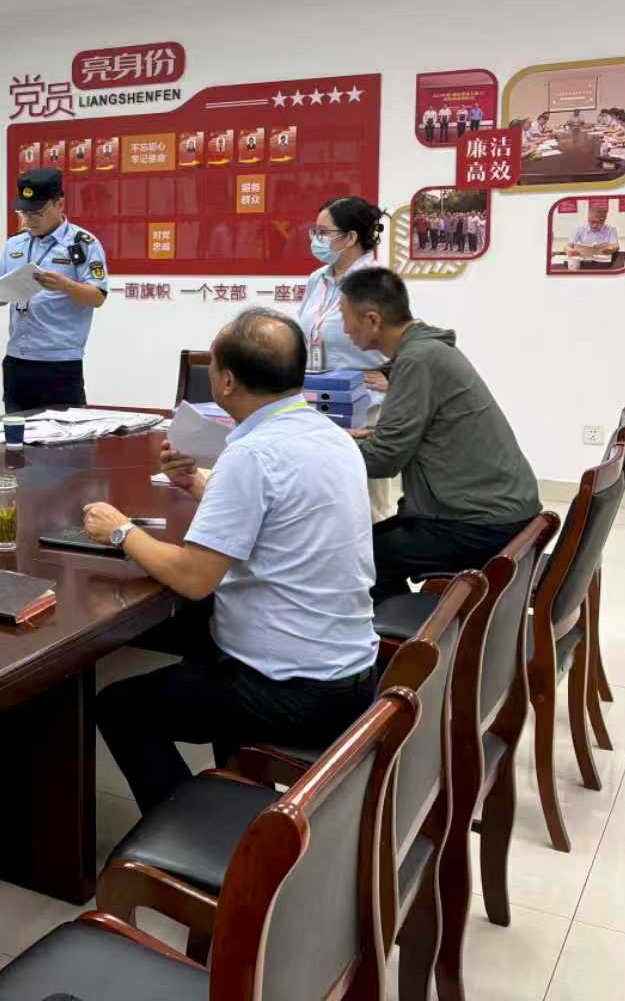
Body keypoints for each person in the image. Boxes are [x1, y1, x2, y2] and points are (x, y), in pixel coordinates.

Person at [82, 308, 378, 814]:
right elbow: (278, 516)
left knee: (120, 707)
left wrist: (120, 531)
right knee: (195, 644)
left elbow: (194, 578)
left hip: (294, 690)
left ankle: (199, 835)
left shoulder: (251, 455)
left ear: (226, 381)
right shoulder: (330, 434)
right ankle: (240, 792)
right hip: (351, 671)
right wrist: (196, 483)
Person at [338, 267, 541, 602]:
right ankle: (408, 622)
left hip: (479, 522)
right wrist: (367, 437)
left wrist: (330, 446)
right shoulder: (427, 350)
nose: (344, 329)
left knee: (359, 558)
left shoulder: (417, 360)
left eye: (345, 319)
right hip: (498, 508)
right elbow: (418, 432)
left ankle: (409, 632)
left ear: (373, 320)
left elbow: (385, 459)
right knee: (365, 545)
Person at [0, 167, 109, 412]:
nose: (28, 220)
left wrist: (66, 285)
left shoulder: (83, 244)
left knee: (65, 435)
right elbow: (2, 296)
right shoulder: (15, 244)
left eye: (36, 213)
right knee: (15, 432)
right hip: (17, 361)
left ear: (59, 204)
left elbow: (98, 297)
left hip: (60, 364)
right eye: (24, 212)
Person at [302, 196, 396, 521]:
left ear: (351, 238)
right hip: (318, 399)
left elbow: (406, 338)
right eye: (315, 231)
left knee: (366, 501)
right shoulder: (317, 279)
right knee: (323, 494)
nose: (316, 239)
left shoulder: (378, 282)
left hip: (364, 404)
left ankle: (376, 552)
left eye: (323, 232)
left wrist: (391, 376)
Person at [569, 199, 620, 267]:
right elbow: (568, 246)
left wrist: (610, 248)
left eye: (599, 222)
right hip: (584, 263)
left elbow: (616, 246)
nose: (594, 225)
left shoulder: (611, 229)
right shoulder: (579, 229)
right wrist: (569, 250)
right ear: (588, 218)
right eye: (592, 221)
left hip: (604, 264)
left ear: (604, 220)